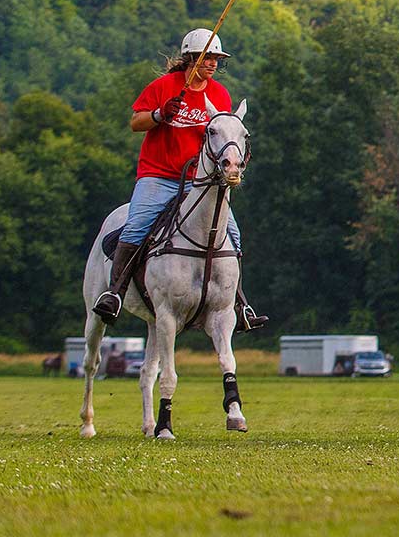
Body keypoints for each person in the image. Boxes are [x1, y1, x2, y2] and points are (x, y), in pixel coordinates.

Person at [92, 29, 267, 330]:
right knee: (136, 227)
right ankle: (115, 295)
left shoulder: (220, 94)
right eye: (207, 58)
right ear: (191, 58)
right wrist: (160, 115)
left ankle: (239, 304)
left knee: (233, 235)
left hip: (198, 182)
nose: (212, 64)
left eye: (216, 59)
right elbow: (136, 122)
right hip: (158, 176)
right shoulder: (164, 86)